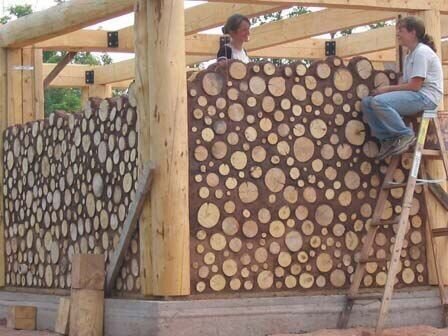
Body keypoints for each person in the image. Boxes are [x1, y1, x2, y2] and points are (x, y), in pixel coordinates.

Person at [361, 16, 443, 160]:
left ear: (413, 33)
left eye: (401, 30)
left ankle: (405, 134)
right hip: (417, 95)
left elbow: (415, 86)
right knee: (367, 103)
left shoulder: (421, 52)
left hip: (427, 97)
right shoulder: (409, 55)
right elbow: (408, 85)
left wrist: (386, 90)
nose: (398, 34)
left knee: (379, 101)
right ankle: (387, 140)